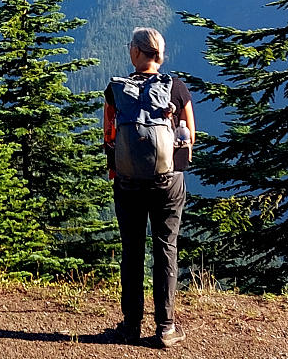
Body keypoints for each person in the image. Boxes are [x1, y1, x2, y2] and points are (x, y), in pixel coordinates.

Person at [104, 27, 195, 348]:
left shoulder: (115, 89)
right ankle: (166, 327)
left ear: (138, 53)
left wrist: (120, 169)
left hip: (128, 182)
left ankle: (130, 326)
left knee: (132, 251)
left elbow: (109, 137)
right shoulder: (177, 88)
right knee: (165, 247)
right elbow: (189, 138)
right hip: (167, 182)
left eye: (131, 46)